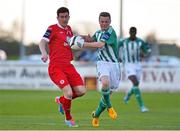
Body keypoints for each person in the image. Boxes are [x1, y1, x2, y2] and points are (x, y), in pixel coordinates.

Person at [38, 7, 86, 127]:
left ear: (69, 17)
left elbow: (72, 42)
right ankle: (68, 119)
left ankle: (61, 100)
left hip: (68, 66)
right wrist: (44, 53)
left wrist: (85, 38)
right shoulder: (52, 28)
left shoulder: (69, 29)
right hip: (56, 67)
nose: (64, 19)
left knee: (81, 91)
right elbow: (42, 42)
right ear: (57, 18)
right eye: (62, 17)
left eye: (66, 17)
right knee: (69, 93)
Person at [82, 12, 121, 127]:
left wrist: (82, 44)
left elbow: (100, 45)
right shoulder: (98, 33)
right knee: (105, 83)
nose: (104, 24)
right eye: (102, 21)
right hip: (102, 63)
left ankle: (96, 115)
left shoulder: (110, 32)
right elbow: (92, 40)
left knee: (107, 95)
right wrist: (82, 38)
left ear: (110, 22)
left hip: (114, 65)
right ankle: (110, 107)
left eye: (106, 21)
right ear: (99, 22)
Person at [118, 26, 151, 113]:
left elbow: (147, 50)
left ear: (135, 33)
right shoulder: (124, 41)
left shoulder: (140, 42)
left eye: (134, 32)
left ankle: (128, 94)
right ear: (129, 32)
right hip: (128, 65)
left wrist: (145, 54)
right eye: (131, 32)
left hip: (137, 65)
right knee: (135, 82)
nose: (132, 34)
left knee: (136, 85)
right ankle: (142, 106)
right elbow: (116, 46)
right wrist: (118, 57)